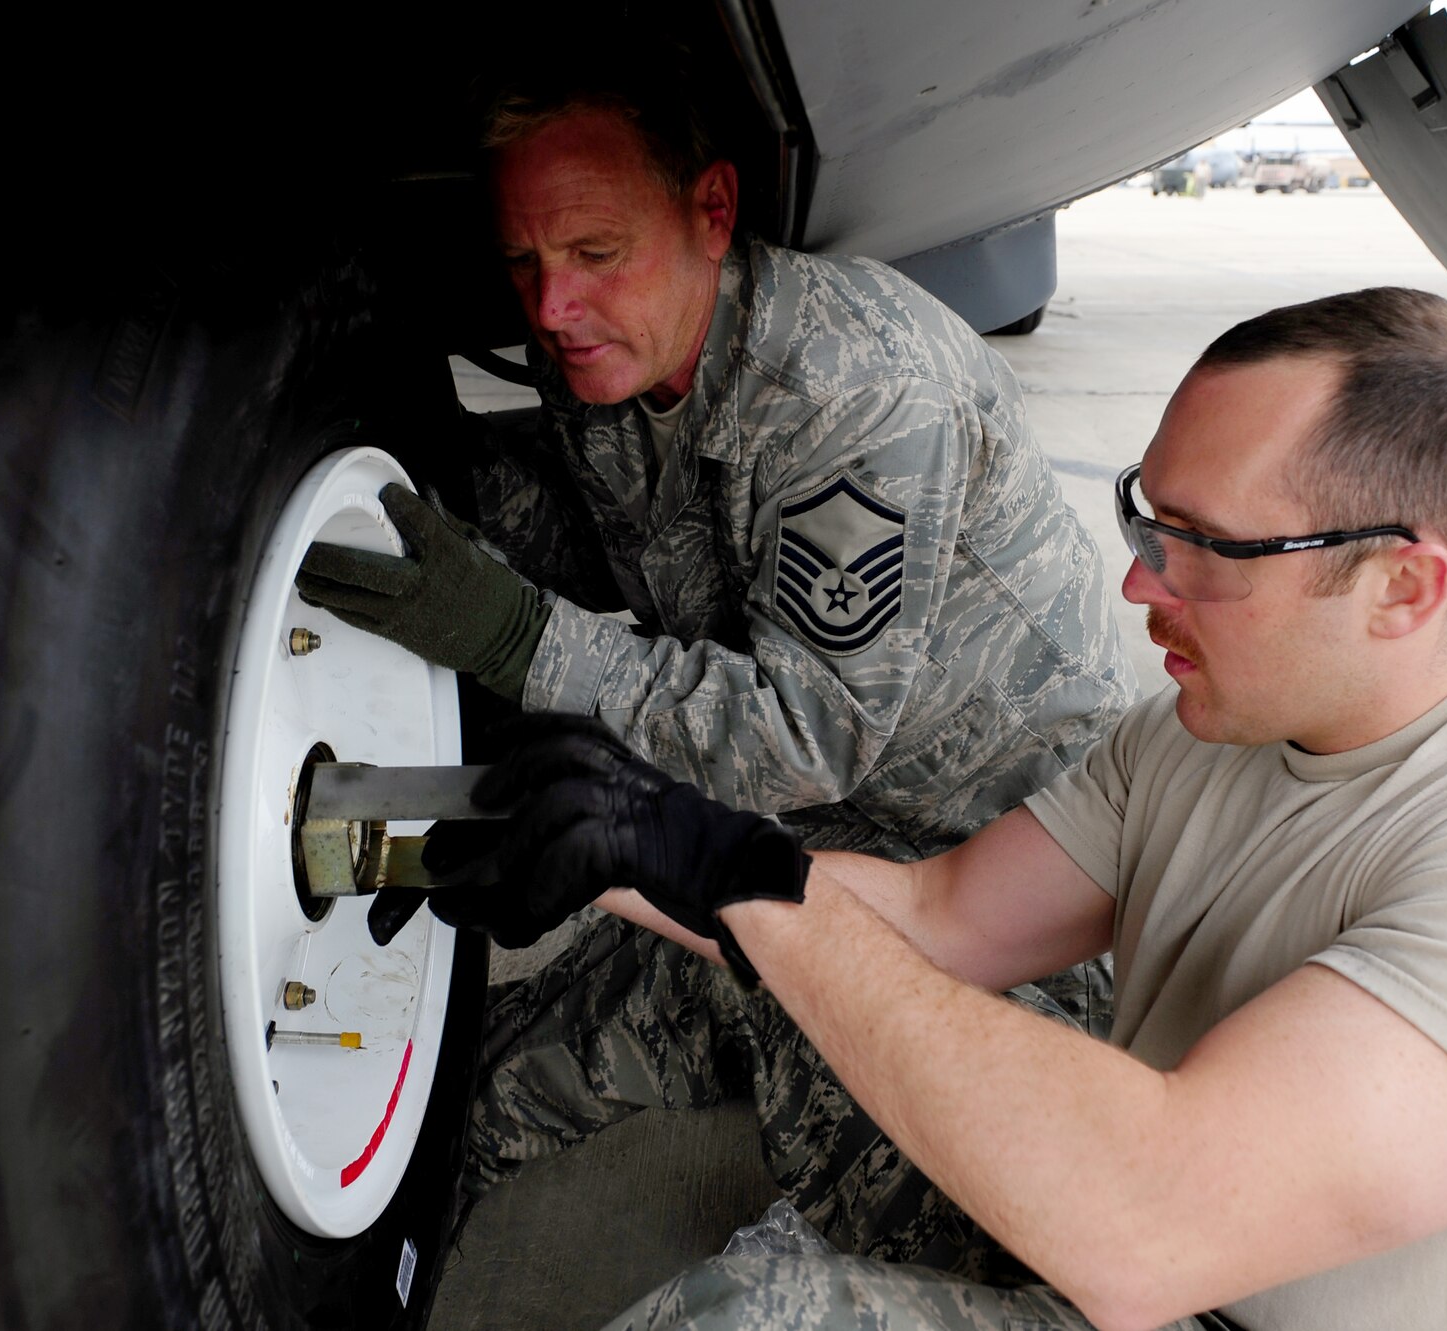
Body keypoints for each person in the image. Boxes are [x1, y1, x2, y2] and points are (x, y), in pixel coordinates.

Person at [449, 286, 1447, 1331]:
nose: (1142, 586)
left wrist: (742, 877)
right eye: (1148, 516)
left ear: (1404, 587)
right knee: (754, 968)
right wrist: (634, 843)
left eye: (1207, 546)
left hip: (1176, 1270)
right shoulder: (1217, 730)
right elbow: (942, 915)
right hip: (1128, 1240)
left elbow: (1149, 1223)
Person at [291, 51, 1130, 1244]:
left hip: (995, 888)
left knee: (962, 1204)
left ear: (712, 213)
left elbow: (805, 738)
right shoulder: (612, 343)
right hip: (809, 836)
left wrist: (517, 637)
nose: (548, 308)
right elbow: (618, 532)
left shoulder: (855, 392)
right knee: (484, 1088)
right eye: (524, 262)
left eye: (592, 254)